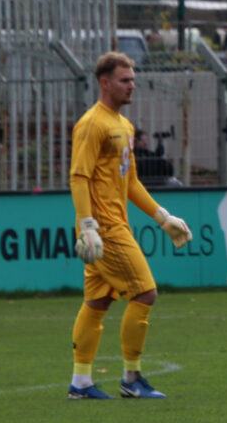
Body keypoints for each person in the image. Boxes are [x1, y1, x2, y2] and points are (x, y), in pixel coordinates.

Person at [67, 52, 193, 400]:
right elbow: (78, 178)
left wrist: (163, 218)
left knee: (97, 303)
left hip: (113, 224)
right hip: (105, 228)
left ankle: (80, 383)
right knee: (145, 292)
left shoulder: (123, 126)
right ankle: (132, 379)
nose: (132, 85)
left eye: (133, 79)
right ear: (105, 83)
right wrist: (87, 224)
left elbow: (132, 182)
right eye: (125, 80)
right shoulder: (92, 124)